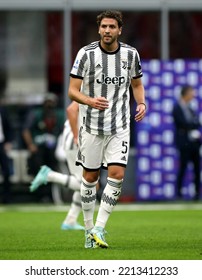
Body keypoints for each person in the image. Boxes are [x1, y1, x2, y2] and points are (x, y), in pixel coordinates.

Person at [68, 10, 146, 249]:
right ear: (99, 29)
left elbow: (137, 83)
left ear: (119, 30)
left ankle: (100, 227)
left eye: (112, 27)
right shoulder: (86, 54)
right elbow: (72, 90)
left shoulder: (131, 55)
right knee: (90, 178)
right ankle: (89, 229)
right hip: (91, 126)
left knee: (117, 174)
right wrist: (89, 101)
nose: (107, 31)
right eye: (104, 27)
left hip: (119, 126)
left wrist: (141, 102)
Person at [29, 101, 84, 230]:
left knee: (88, 184)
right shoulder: (91, 89)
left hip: (77, 139)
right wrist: (76, 136)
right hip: (76, 141)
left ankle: (70, 220)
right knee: (88, 184)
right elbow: (71, 109)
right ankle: (50, 175)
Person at [22, 93, 64, 201]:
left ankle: (50, 195)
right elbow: (26, 130)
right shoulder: (36, 114)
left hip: (53, 149)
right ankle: (39, 195)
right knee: (38, 168)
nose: (50, 104)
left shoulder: (59, 114)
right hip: (38, 148)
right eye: (48, 102)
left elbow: (64, 130)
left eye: (52, 102)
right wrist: (30, 145)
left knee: (53, 169)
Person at [172, 85, 201, 200]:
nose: (193, 95)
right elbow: (181, 123)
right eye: (191, 92)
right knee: (183, 167)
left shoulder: (191, 107)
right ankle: (178, 193)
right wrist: (192, 127)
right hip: (184, 143)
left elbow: (197, 122)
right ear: (186, 93)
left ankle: (197, 193)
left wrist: (193, 127)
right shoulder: (177, 107)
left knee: (197, 168)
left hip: (194, 142)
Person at [0, 104, 13, 204]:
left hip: (1, 144)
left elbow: (8, 126)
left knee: (6, 171)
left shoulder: (3, 110)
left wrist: (8, 142)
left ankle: (6, 198)